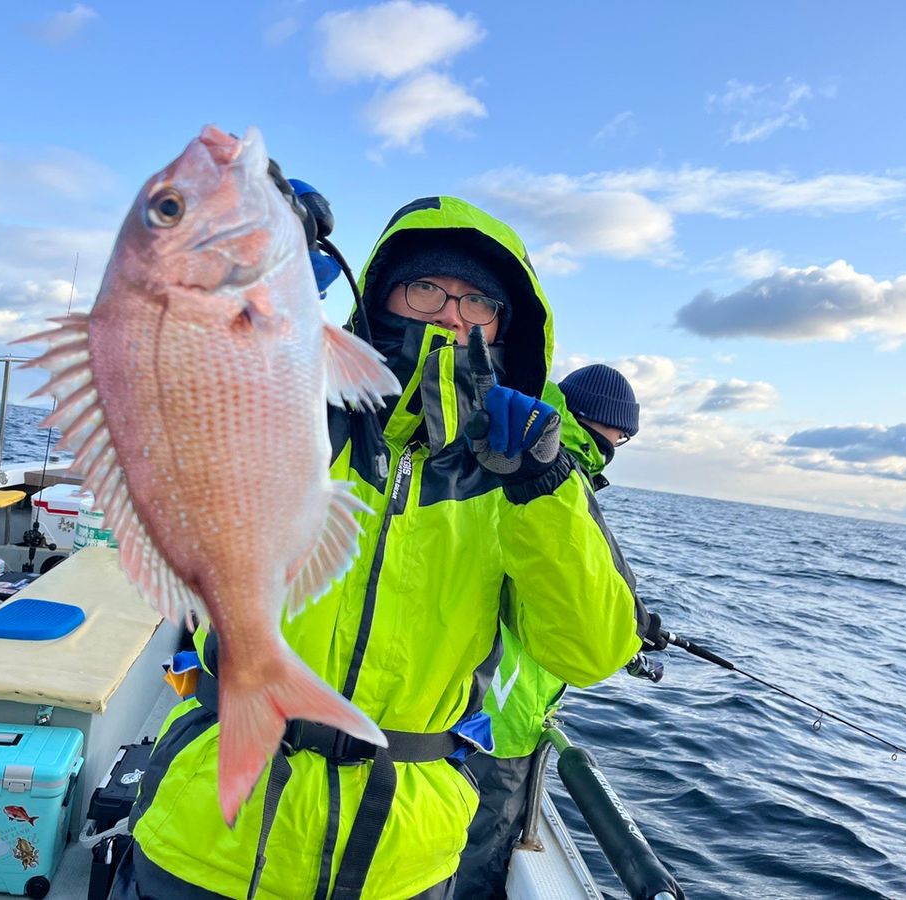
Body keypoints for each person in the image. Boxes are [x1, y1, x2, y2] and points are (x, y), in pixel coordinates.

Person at [115, 195, 644, 899]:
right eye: (428, 287)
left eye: (480, 301)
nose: (453, 314)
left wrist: (544, 490)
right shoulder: (293, 397)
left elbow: (593, 650)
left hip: (400, 862)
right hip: (208, 833)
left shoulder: (529, 478)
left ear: (504, 325)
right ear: (383, 295)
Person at [456, 363, 670, 900]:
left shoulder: (498, 447)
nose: (621, 443)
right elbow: (591, 596)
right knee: (472, 867)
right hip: (499, 727)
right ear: (609, 427)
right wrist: (636, 626)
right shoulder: (559, 472)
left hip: (454, 713)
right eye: (623, 434)